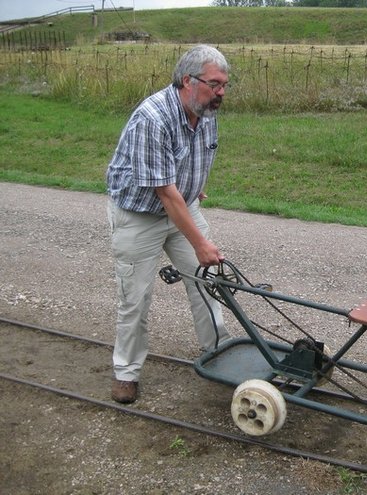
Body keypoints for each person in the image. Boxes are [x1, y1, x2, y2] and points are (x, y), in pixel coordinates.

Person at [106, 45, 231, 404]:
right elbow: (164, 191)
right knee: (135, 298)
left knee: (208, 283)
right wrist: (201, 244)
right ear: (188, 81)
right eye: (215, 84)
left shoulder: (205, 111)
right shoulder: (153, 117)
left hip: (181, 205)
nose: (221, 92)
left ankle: (219, 353)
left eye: (225, 84)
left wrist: (195, 185)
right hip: (139, 216)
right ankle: (125, 373)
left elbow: (191, 160)